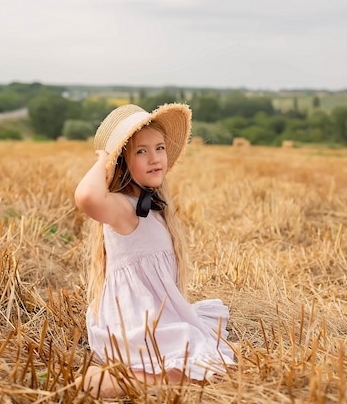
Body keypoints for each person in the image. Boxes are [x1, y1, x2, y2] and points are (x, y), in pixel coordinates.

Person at [74, 103, 235, 398]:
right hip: (135, 320)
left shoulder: (153, 208)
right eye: (140, 151)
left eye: (159, 148)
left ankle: (130, 373)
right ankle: (106, 381)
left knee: (209, 358)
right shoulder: (123, 207)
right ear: (123, 161)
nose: (154, 158)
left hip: (155, 312)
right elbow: (86, 196)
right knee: (203, 371)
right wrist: (104, 158)